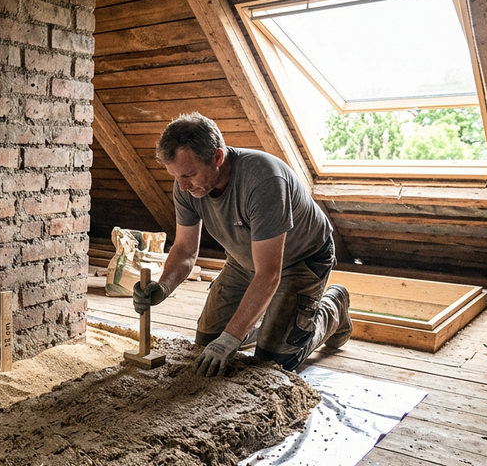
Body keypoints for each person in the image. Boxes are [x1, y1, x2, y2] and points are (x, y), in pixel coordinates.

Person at [133, 112, 352, 376]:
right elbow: (185, 249)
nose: (182, 186)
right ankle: (268, 322)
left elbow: (269, 274)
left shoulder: (263, 181)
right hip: (244, 258)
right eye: (176, 176)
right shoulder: (186, 184)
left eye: (189, 175)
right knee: (207, 342)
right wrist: (164, 286)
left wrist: (231, 338)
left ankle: (333, 308)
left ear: (217, 157)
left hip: (301, 259)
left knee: (274, 362)